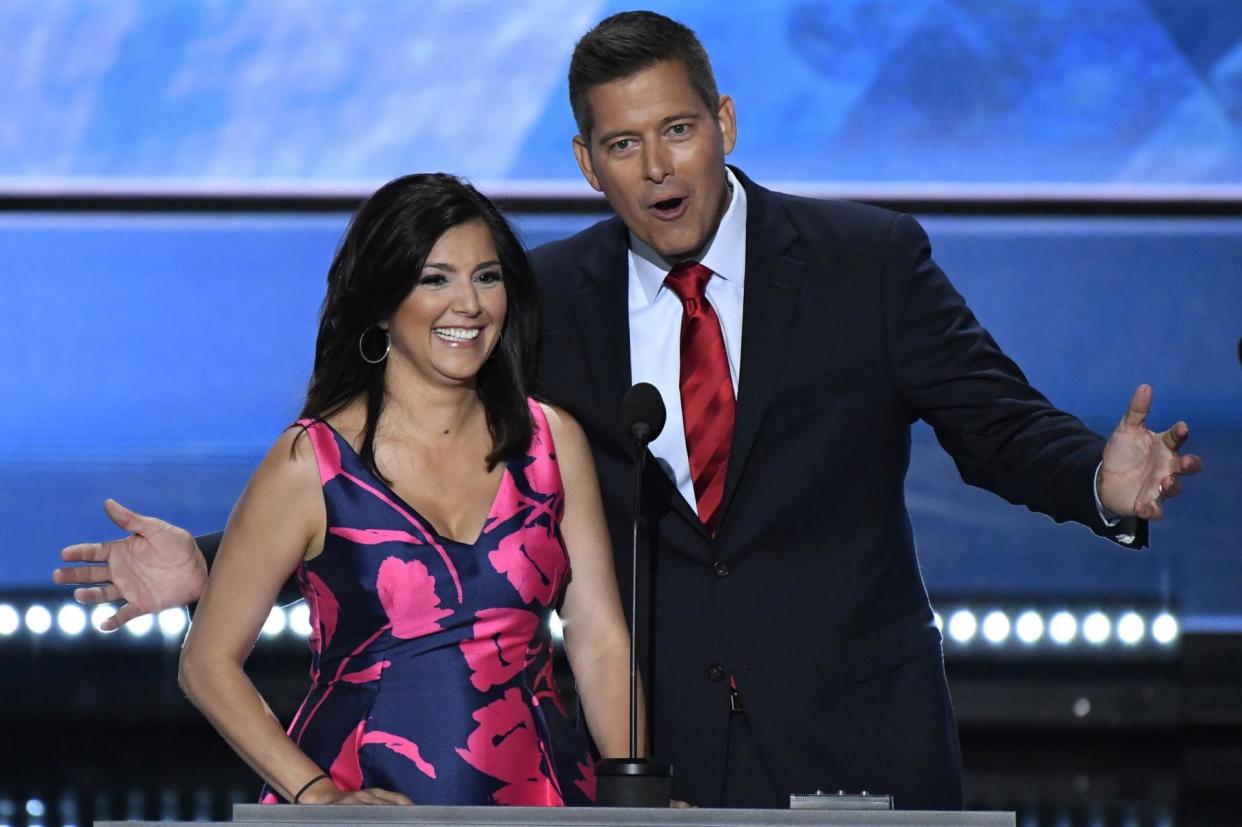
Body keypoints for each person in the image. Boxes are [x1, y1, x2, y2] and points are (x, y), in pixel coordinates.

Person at [56, 12, 1201, 811]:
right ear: (586, 161)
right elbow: (422, 472)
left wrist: (1096, 482)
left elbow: (995, 420)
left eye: (678, 130)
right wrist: (217, 564)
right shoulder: (542, 297)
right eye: (622, 143)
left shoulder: (868, 261)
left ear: (727, 123)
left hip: (856, 733)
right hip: (649, 759)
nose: (657, 166)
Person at [169, 173, 637, 806]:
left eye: (487, 276)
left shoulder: (553, 443)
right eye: (434, 278)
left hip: (545, 802)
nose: (468, 304)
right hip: (367, 807)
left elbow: (599, 637)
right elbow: (206, 663)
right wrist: (315, 793)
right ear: (383, 303)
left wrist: (639, 793)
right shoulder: (313, 462)